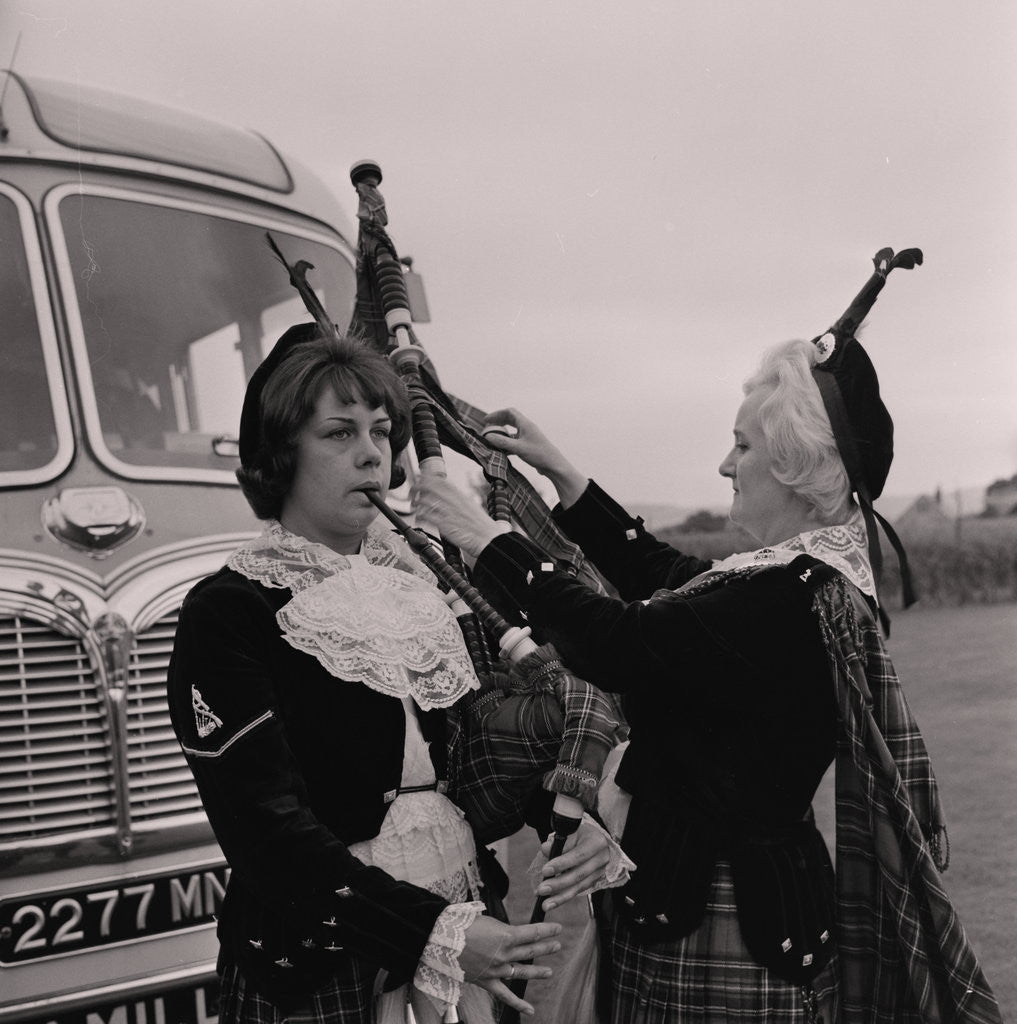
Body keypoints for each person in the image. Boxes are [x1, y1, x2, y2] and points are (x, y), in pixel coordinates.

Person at [414, 268, 1003, 1023]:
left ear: (791, 466)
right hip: (720, 913)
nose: (725, 466)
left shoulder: (785, 602)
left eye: (741, 446)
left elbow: (618, 642)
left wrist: (482, 536)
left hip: (718, 923)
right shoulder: (798, 586)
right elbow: (667, 578)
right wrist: (564, 474)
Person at [166, 325, 614, 1024]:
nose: (371, 453)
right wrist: (437, 936)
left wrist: (565, 814)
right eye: (339, 434)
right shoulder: (229, 608)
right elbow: (263, 832)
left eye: (380, 431)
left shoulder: (422, 582)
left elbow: (470, 756)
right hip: (318, 961)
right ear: (281, 454)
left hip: (466, 917)